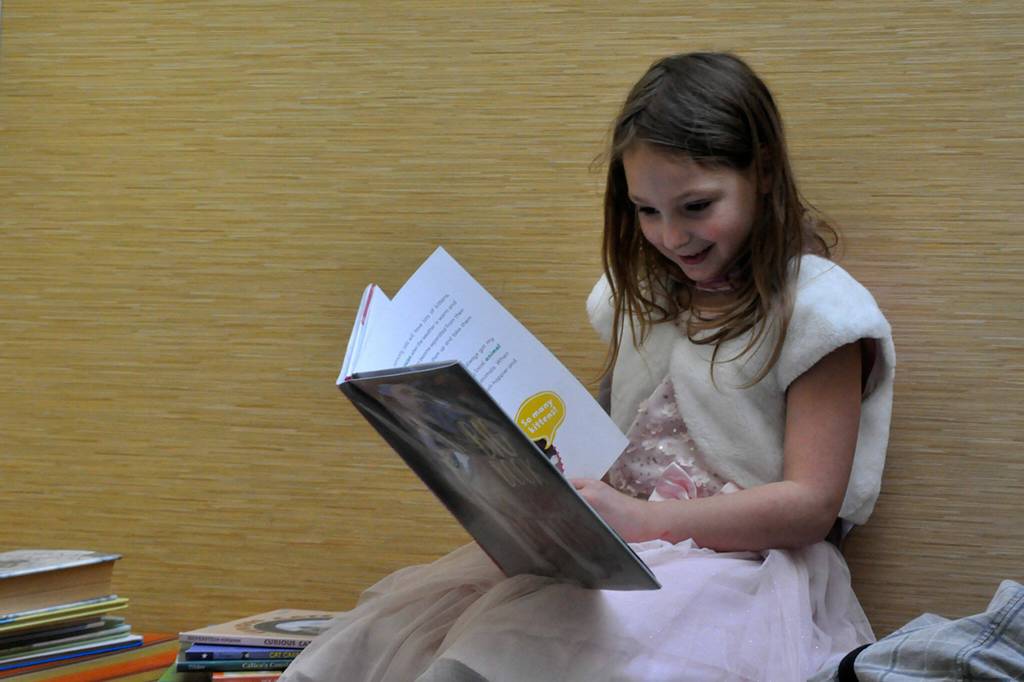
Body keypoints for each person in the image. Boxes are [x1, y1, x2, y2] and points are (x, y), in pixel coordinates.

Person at [282, 52, 895, 681]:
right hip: (620, 551)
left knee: (524, 642)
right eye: (646, 211)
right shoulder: (641, 303)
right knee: (384, 642)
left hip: (743, 573)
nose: (671, 236)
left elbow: (811, 507)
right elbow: (615, 441)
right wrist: (532, 480)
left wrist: (649, 521)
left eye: (695, 206)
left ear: (763, 174)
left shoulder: (819, 315)